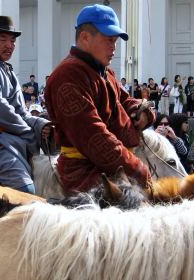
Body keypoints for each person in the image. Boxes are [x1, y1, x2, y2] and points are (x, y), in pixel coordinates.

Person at [45, 4, 154, 194]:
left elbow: (125, 100)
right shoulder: (68, 76)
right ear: (85, 37)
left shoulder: (103, 70)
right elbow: (95, 138)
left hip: (113, 164)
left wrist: (142, 112)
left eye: (115, 42)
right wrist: (137, 170)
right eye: (109, 41)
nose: (114, 48)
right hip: (85, 172)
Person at [0, 15, 53, 194]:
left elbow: (21, 111)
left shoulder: (9, 72)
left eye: (13, 41)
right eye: (3, 39)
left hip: (12, 139)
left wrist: (40, 124)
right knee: (26, 190)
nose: (10, 45)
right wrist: (28, 130)